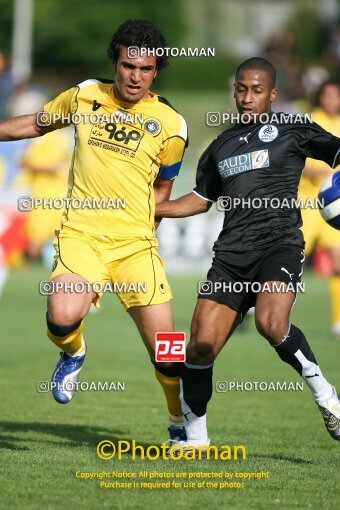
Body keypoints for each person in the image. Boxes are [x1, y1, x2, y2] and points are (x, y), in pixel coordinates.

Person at [0, 19, 188, 443]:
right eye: (127, 66)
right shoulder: (85, 94)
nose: (134, 76)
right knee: (62, 316)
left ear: (156, 70)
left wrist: (146, 236)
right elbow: (35, 124)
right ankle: (74, 352)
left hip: (135, 248)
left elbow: (162, 191)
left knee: (169, 352)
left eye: (145, 69)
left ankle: (181, 423)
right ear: (115, 61)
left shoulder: (172, 124)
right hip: (81, 236)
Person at [155, 57, 340, 450]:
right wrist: (153, 207)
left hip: (279, 244)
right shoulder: (219, 146)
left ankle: (325, 393)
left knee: (271, 324)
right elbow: (201, 199)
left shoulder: (292, 129)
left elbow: (335, 151)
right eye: (241, 89)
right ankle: (196, 440)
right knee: (199, 348)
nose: (246, 97)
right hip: (230, 257)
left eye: (257, 90)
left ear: (272, 94)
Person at [299, 80, 340, 337]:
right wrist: (321, 168)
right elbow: (296, 159)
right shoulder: (309, 121)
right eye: (327, 94)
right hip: (307, 203)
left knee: (339, 262)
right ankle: (250, 305)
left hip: (334, 206)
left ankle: (338, 321)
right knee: (290, 261)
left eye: (336, 95)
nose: (331, 99)